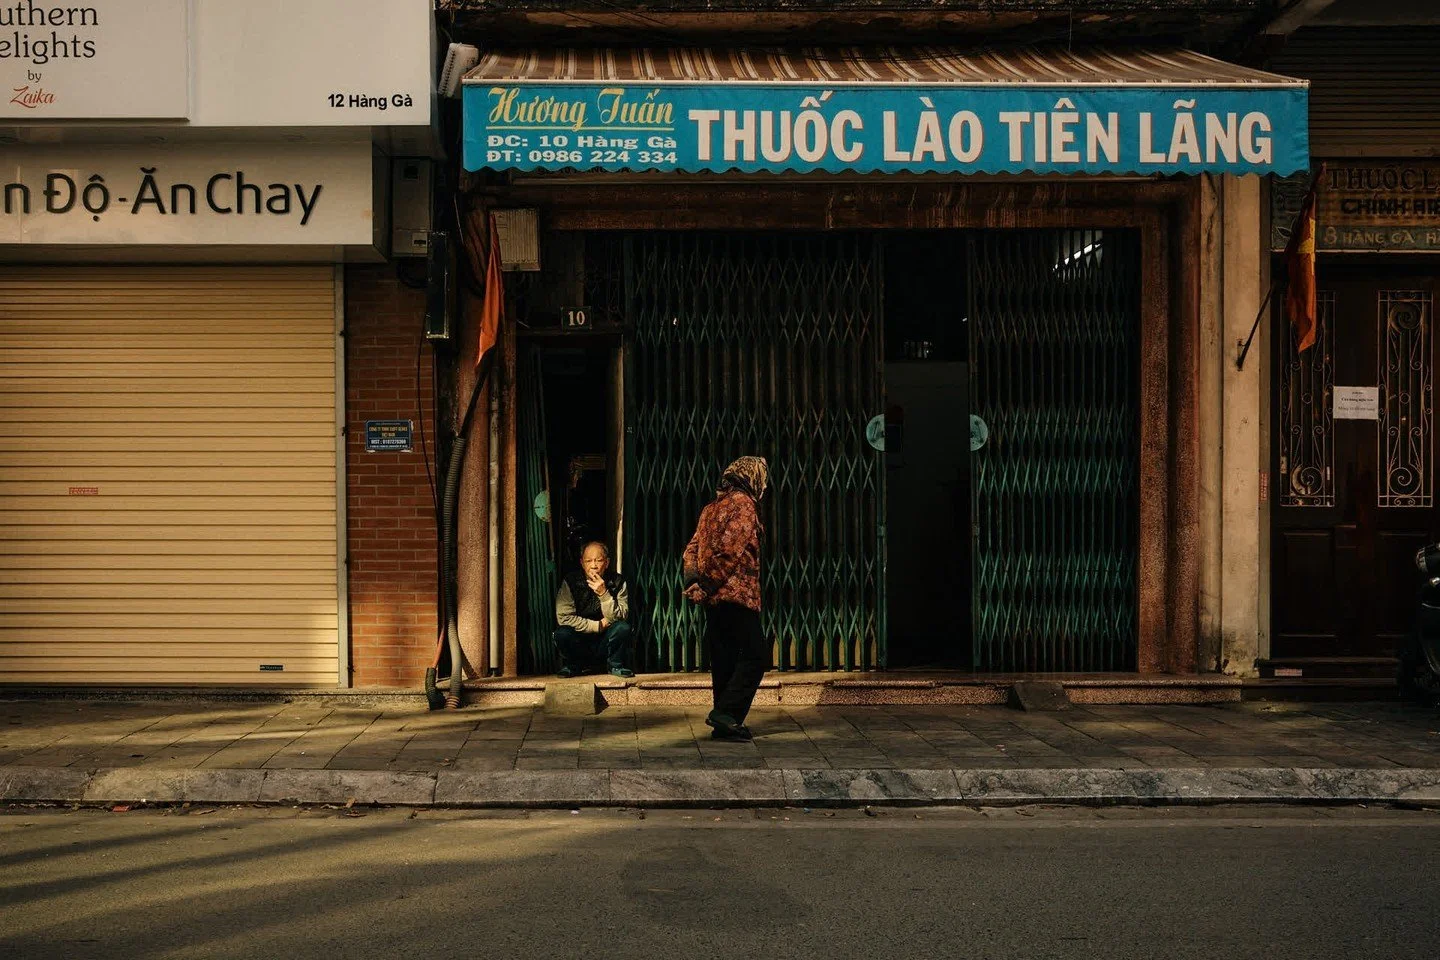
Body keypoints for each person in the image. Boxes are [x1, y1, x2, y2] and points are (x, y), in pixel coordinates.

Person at [683, 455, 769, 742]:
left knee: (725, 660)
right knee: (756, 656)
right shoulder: (743, 504)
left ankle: (725, 723)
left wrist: (694, 581)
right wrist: (706, 585)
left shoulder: (710, 508)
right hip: (736, 595)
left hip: (713, 599)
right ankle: (728, 713)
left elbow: (691, 549)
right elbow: (731, 551)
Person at [553, 541, 634, 678]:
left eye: (599, 560)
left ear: (607, 563)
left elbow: (620, 617)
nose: (594, 566)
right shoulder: (571, 581)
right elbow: (564, 618)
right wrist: (598, 625)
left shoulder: (618, 581)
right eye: (588, 561)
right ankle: (573, 666)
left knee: (622, 627)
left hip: (606, 641)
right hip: (579, 640)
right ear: (582, 563)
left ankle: (615, 665)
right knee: (562, 633)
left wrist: (604, 594)